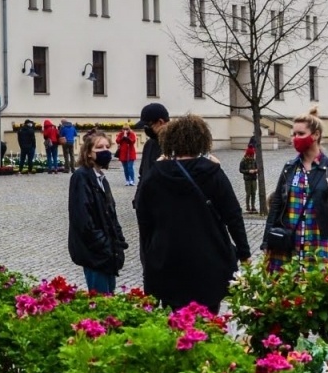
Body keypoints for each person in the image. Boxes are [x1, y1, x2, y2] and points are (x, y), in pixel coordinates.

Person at [135, 114, 250, 312]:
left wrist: (149, 254)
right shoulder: (213, 173)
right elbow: (233, 216)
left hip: (168, 258)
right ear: (202, 140)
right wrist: (244, 253)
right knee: (208, 320)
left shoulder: (155, 175)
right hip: (209, 258)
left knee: (175, 321)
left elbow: (144, 220)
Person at [262, 106, 328, 262]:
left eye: (301, 134)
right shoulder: (289, 168)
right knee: (286, 286)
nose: (295, 138)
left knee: (319, 286)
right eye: (294, 134)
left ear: (316, 135)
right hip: (288, 245)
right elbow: (276, 205)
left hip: (319, 243)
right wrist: (266, 241)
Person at [67, 131, 127, 293]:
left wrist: (118, 241)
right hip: (95, 253)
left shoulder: (101, 178)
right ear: (88, 153)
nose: (105, 151)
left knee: (109, 295)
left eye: (107, 147)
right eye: (99, 147)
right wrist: (102, 244)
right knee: (101, 299)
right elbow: (82, 218)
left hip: (108, 253)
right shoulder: (81, 177)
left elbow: (110, 214)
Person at [134, 102, 170, 189]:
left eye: (148, 125)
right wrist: (137, 200)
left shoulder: (178, 144)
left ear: (161, 122)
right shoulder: (149, 144)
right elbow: (143, 175)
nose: (146, 129)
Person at [238, 140, 261, 212]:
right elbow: (241, 170)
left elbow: (257, 168)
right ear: (247, 154)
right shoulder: (243, 161)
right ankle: (248, 207)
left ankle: (253, 207)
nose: (251, 157)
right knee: (248, 193)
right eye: (250, 155)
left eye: (252, 155)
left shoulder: (254, 160)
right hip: (247, 179)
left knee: (253, 193)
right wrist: (248, 171)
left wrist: (256, 170)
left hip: (254, 178)